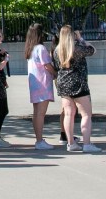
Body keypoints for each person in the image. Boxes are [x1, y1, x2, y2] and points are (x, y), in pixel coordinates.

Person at [54, 25, 99, 153]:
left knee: (68, 114)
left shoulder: (57, 50)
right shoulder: (77, 48)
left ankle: (71, 143)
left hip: (63, 82)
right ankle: (87, 143)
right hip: (78, 83)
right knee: (86, 114)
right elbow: (93, 50)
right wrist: (81, 39)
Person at [24, 23, 56, 150]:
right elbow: (47, 65)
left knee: (36, 113)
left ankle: (38, 138)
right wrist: (56, 73)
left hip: (34, 84)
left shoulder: (30, 49)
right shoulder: (41, 48)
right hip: (43, 83)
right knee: (40, 114)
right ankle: (39, 140)